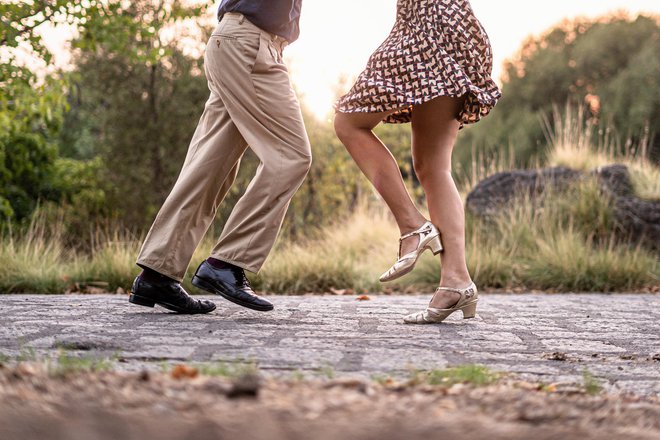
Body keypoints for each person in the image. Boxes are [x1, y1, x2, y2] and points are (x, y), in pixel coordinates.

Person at [129, 0, 310, 314]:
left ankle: (157, 272)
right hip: (249, 46)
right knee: (291, 155)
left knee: (209, 166)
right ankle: (226, 262)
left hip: (235, 42)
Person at [334, 0, 501, 324]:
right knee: (432, 165)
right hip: (457, 27)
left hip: (427, 26)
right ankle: (456, 281)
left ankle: (412, 226)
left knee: (349, 123)